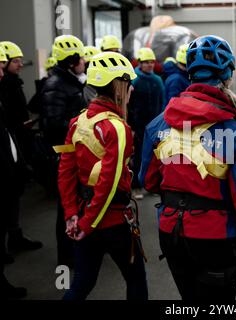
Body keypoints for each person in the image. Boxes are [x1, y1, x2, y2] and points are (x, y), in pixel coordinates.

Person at [138, 35, 236, 302]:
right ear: (228, 74)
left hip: (171, 234)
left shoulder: (158, 124)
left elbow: (147, 180)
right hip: (215, 239)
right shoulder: (234, 129)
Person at [56, 51, 148, 300]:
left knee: (82, 283)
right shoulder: (118, 128)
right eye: (129, 85)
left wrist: (72, 215)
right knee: (136, 280)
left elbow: (65, 172)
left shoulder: (78, 122)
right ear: (121, 86)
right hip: (113, 221)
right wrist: (86, 224)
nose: (131, 91)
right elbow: (108, 184)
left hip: (85, 213)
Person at [40, 34, 87, 267]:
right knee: (66, 209)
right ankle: (67, 259)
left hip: (71, 153)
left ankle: (78, 250)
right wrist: (83, 123)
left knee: (76, 203)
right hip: (62, 156)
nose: (84, 62)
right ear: (71, 61)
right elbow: (52, 124)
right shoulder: (56, 85)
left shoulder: (69, 82)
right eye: (81, 58)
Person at [0, 41, 43, 255]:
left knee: (14, 196)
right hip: (9, 144)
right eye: (14, 61)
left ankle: (15, 237)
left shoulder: (14, 83)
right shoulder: (6, 85)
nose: (19, 65)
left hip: (15, 143)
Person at [0, 46, 27, 300]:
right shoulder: (5, 88)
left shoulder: (7, 87)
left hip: (10, 162)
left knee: (11, 207)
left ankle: (14, 237)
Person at [127, 47, 165, 189]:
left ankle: (153, 183)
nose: (150, 65)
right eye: (146, 62)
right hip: (139, 125)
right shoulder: (134, 80)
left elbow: (163, 102)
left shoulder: (158, 80)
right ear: (140, 63)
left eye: (152, 62)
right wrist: (131, 125)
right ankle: (136, 184)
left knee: (156, 155)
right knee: (139, 155)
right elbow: (129, 106)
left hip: (155, 124)